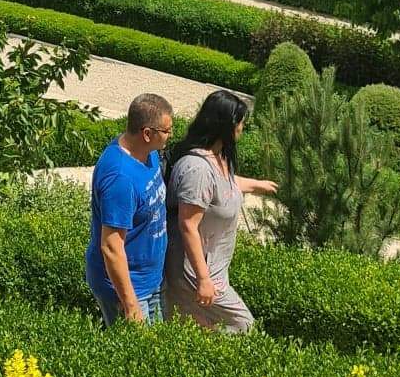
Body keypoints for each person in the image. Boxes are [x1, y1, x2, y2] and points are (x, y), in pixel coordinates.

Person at [163, 90, 276, 336]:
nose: (243, 128)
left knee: (201, 332)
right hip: (194, 273)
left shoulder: (219, 157)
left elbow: (224, 187)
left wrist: (258, 185)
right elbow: (188, 225)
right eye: (240, 122)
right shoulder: (197, 169)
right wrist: (203, 280)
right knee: (244, 327)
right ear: (225, 124)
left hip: (214, 271)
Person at [86, 92, 174, 327]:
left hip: (151, 280)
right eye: (167, 131)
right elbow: (111, 246)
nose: (170, 135)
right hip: (130, 290)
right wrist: (130, 305)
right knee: (138, 359)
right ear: (147, 133)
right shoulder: (120, 178)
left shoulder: (148, 153)